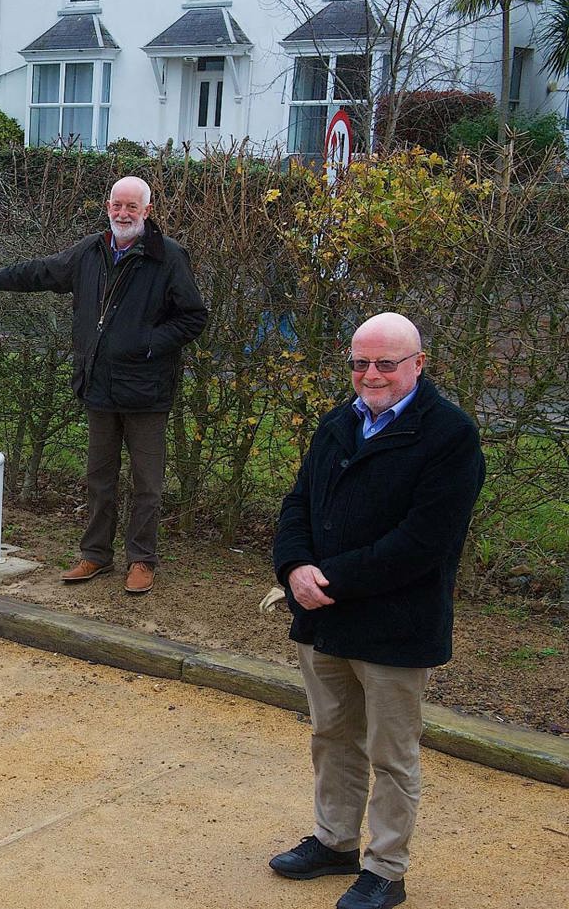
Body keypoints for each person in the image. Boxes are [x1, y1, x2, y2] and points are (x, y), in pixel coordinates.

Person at [269, 312, 485, 909]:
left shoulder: (451, 435)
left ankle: (386, 869)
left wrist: (329, 579)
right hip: (323, 616)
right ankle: (334, 841)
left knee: (392, 755)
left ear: (419, 363)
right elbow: (298, 504)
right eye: (360, 363)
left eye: (386, 363)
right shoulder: (338, 421)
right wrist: (293, 567)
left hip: (395, 624)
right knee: (332, 736)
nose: (371, 375)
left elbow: (424, 541)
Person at [0, 175, 207, 595]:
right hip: (99, 387)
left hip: (147, 392)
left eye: (132, 207)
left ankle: (142, 560)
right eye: (117, 205)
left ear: (147, 211)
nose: (123, 213)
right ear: (108, 207)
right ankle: (96, 554)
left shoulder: (168, 257)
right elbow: (42, 272)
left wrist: (147, 344)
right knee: (99, 478)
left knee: (147, 484)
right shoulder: (91, 251)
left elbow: (193, 317)